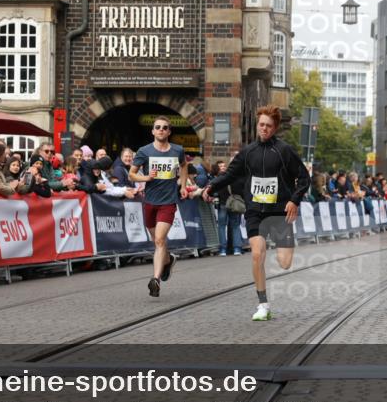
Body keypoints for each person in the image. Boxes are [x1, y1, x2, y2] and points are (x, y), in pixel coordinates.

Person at [204, 105, 309, 321]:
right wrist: (210, 187)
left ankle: (283, 245)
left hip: (279, 212)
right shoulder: (247, 152)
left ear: (275, 128)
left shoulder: (284, 151)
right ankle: (263, 304)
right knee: (257, 254)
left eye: (269, 126)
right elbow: (230, 174)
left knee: (285, 262)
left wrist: (294, 200)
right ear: (257, 126)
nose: (264, 129)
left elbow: (304, 178)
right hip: (255, 211)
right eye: (261, 125)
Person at [129, 115, 189, 297]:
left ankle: (155, 279)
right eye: (158, 127)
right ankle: (168, 260)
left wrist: (184, 186)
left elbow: (184, 166)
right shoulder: (144, 151)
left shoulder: (177, 150)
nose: (161, 130)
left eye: (165, 127)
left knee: (160, 240)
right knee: (157, 241)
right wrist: (146, 178)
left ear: (169, 131)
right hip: (150, 202)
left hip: (168, 202)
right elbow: (132, 174)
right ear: (153, 131)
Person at [210, 159, 243, 256]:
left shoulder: (218, 179)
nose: (223, 167)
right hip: (233, 204)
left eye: (224, 166)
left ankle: (223, 249)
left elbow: (213, 191)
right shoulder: (234, 177)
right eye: (221, 166)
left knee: (221, 227)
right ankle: (237, 249)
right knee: (235, 226)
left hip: (223, 204)